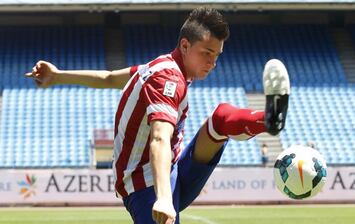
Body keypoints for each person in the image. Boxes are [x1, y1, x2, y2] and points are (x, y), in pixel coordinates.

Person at [26, 7, 290, 224]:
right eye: (207, 53)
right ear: (185, 45)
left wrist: (58, 76)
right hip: (146, 187)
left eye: (217, 56)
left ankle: (268, 120)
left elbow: (107, 78)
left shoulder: (160, 66)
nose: (212, 63)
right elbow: (159, 139)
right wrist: (163, 198)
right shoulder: (167, 79)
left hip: (172, 171)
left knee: (221, 118)